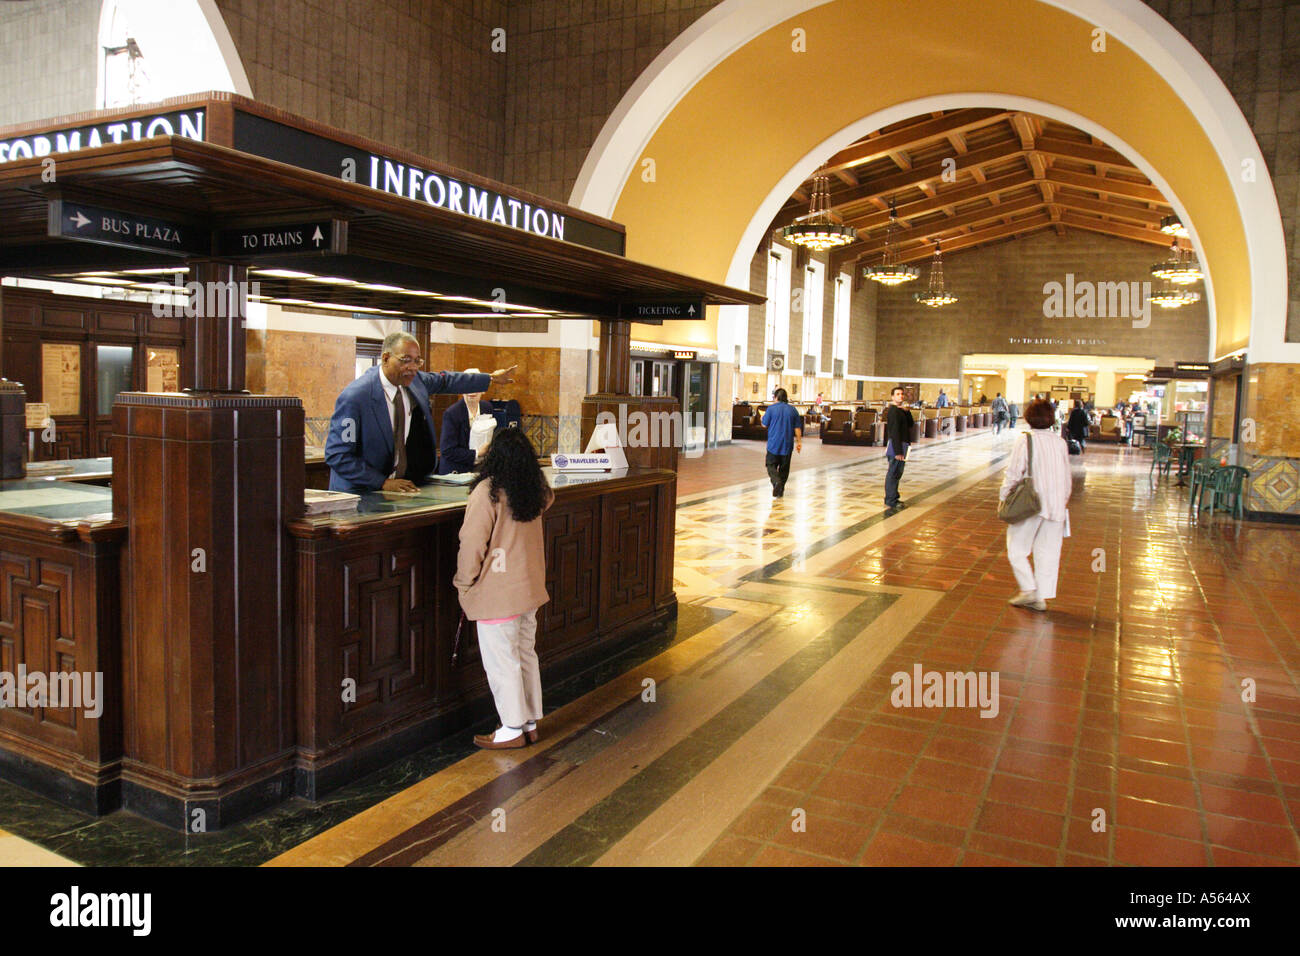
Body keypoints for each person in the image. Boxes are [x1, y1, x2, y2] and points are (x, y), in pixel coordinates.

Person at [454, 427, 554, 749]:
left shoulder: (487, 492)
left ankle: (511, 727)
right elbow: (547, 496)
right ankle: (529, 721)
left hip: (498, 594)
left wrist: (464, 582)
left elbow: (472, 544)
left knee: (502, 661)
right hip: (528, 592)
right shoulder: (533, 491)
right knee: (525, 654)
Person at [325, 330, 516, 493]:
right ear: (385, 358)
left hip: (400, 489)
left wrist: (489, 379)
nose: (413, 368)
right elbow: (338, 455)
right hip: (359, 494)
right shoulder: (355, 398)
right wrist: (382, 483)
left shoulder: (415, 382)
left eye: (417, 361)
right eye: (405, 360)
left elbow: (446, 381)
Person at [1000, 398, 1073, 612]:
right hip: (1056, 505)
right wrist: (1063, 500)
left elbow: (1014, 473)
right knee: (1048, 553)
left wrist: (1004, 496)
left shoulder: (1026, 440)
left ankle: (1029, 589)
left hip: (1030, 504)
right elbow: (1067, 477)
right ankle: (1040, 597)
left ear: (1029, 418)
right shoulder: (1060, 442)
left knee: (1016, 549)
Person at [438, 368, 495, 474]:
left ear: (483, 389)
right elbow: (447, 451)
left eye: (475, 386)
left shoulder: (487, 407)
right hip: (454, 473)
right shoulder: (451, 413)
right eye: (467, 386)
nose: (471, 391)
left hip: (479, 470)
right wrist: (477, 453)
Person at [761, 388, 802, 498]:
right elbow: (797, 428)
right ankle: (780, 491)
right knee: (784, 468)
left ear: (776, 397)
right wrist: (799, 442)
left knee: (770, 465)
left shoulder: (771, 409)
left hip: (773, 444)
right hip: (787, 444)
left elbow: (764, 424)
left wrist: (762, 418)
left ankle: (776, 482)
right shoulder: (793, 410)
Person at [884, 385, 911, 510]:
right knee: (893, 473)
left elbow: (910, 424)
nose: (900, 396)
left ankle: (894, 496)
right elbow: (894, 432)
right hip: (897, 446)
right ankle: (891, 500)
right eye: (898, 394)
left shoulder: (900, 410)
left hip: (903, 444)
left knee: (898, 473)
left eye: (902, 394)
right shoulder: (893, 411)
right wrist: (898, 451)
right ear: (893, 397)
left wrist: (907, 411)